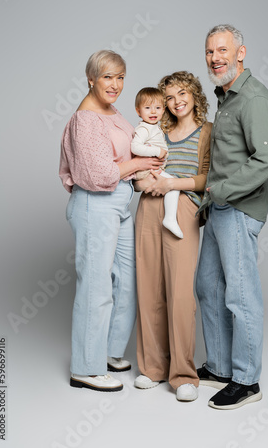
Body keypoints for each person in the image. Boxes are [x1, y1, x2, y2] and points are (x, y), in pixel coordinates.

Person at [59, 50, 162, 392]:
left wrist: (148, 161)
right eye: (107, 77)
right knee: (96, 286)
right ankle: (85, 368)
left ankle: (106, 351)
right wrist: (140, 164)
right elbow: (100, 174)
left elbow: (132, 152)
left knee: (127, 279)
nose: (115, 84)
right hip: (95, 204)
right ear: (91, 79)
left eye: (120, 77)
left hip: (118, 203)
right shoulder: (86, 119)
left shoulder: (114, 113)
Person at [196, 24, 268, 410]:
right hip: (217, 209)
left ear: (241, 53)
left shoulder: (254, 99)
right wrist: (210, 201)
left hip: (239, 209)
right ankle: (219, 366)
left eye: (223, 50)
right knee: (208, 287)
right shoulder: (225, 97)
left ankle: (247, 381)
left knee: (240, 296)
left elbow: (267, 160)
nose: (215, 57)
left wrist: (222, 192)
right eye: (210, 51)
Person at [133, 71, 212, 402]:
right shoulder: (157, 129)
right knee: (149, 288)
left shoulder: (207, 131)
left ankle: (183, 374)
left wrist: (171, 184)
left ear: (194, 94)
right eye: (169, 96)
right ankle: (152, 368)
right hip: (148, 206)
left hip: (181, 209)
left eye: (183, 93)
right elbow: (137, 167)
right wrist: (142, 183)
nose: (176, 101)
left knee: (180, 293)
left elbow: (207, 177)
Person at [131, 87, 183, 238]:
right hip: (147, 171)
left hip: (152, 169)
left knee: (171, 184)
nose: (153, 112)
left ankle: (169, 218)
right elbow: (135, 146)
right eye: (147, 108)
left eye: (157, 108)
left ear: (163, 110)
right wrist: (156, 151)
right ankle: (170, 219)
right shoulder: (144, 128)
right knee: (173, 184)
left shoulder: (154, 127)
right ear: (138, 111)